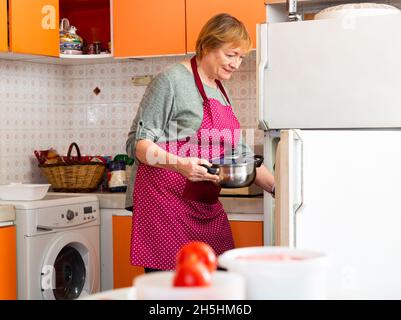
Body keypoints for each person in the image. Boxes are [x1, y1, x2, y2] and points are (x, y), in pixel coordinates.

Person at [125, 13, 275, 273]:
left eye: (241, 57)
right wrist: (181, 164)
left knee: (220, 275)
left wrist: (279, 189)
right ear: (207, 46)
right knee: (176, 286)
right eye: (231, 55)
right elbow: (137, 145)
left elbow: (240, 152)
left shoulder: (219, 89)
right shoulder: (170, 80)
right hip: (166, 206)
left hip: (204, 203)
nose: (237, 64)